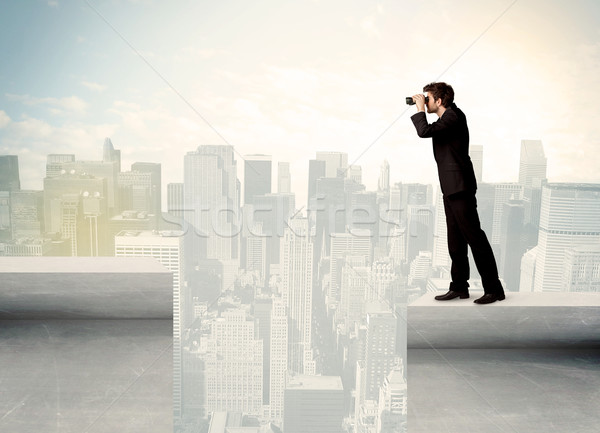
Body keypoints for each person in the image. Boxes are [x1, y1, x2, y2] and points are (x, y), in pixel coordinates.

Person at [410, 82, 505, 304]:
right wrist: (424, 107)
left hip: (460, 187)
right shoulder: (446, 119)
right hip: (450, 187)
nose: (425, 101)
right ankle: (459, 286)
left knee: (475, 237)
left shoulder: (453, 117)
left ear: (439, 101)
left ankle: (494, 289)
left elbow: (424, 132)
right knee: (455, 241)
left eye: (428, 98)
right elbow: (431, 131)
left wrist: (420, 110)